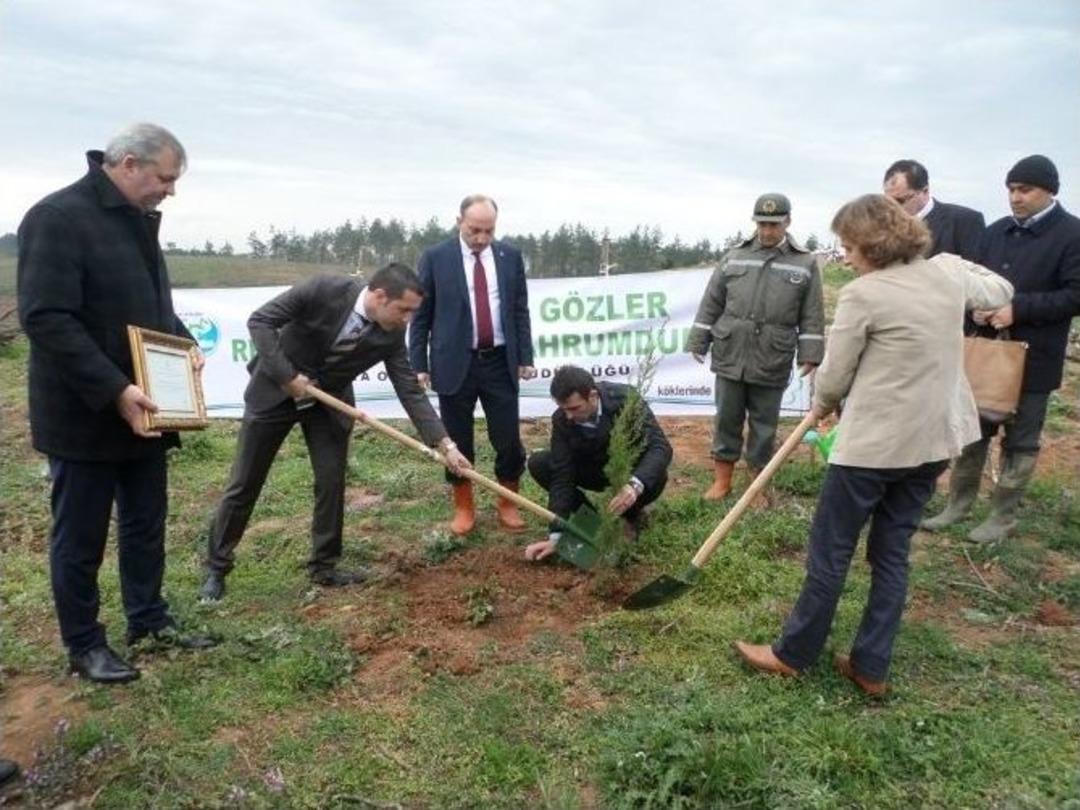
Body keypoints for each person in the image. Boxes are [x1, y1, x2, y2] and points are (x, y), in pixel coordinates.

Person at [734, 194, 1013, 696]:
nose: (845, 256)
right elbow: (1000, 289)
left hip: (874, 449)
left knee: (831, 552)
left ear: (874, 244)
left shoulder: (867, 294)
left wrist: (824, 400)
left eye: (849, 246)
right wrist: (954, 263)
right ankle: (871, 666)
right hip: (931, 443)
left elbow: (835, 376)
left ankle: (793, 654)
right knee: (891, 554)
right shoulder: (947, 274)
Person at [17, 123, 218, 685]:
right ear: (128, 163)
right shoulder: (58, 218)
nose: (170, 191)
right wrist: (114, 389)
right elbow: (46, 317)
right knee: (80, 537)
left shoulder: (139, 224)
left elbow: (151, 307)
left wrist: (184, 346)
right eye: (165, 178)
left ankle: (148, 619)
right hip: (85, 415)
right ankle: (84, 644)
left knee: (144, 522)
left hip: (147, 411)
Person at [200, 264, 470, 601]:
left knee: (331, 481)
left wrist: (445, 444)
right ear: (380, 296)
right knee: (245, 481)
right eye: (404, 310)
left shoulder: (391, 333)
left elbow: (410, 392)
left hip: (330, 402)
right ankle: (216, 567)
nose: (408, 320)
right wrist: (287, 376)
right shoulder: (324, 289)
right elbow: (260, 321)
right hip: (276, 390)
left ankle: (324, 566)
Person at [922, 155, 1080, 543]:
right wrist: (977, 307)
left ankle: (1002, 517)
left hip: (1034, 358)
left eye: (1025, 190)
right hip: (987, 352)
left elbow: (1075, 295)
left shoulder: (1072, 235)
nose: (1015, 197)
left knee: (1021, 439)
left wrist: (1017, 309)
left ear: (1050, 191)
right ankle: (958, 505)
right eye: (1011, 189)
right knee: (974, 430)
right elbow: (973, 277)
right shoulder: (996, 232)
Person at [408, 195, 536, 535]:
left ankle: (508, 502)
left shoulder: (510, 257)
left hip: (499, 362)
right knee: (458, 440)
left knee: (508, 439)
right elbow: (421, 315)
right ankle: (464, 507)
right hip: (453, 363)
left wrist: (525, 356)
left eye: (488, 231)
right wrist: (418, 362)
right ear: (458, 222)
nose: (481, 238)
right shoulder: (436, 258)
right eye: (474, 230)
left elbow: (519, 309)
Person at [686, 193, 825, 503]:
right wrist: (699, 339)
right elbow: (712, 301)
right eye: (762, 223)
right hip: (731, 352)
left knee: (764, 425)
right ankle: (722, 482)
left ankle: (756, 488)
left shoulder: (804, 262)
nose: (767, 231)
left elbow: (812, 313)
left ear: (787, 222)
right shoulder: (734, 256)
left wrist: (811, 354)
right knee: (727, 419)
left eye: (774, 224)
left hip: (771, 356)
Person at [523, 366, 672, 561]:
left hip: (628, 472)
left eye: (574, 408)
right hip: (593, 471)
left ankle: (630, 516)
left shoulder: (626, 399)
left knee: (654, 473)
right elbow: (562, 474)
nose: (568, 416)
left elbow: (660, 447)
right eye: (563, 409)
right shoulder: (561, 420)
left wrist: (635, 485)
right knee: (540, 463)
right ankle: (593, 524)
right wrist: (556, 534)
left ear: (592, 396)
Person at [883, 159, 985, 260]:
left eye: (900, 201)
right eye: (888, 201)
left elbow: (976, 271)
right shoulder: (881, 228)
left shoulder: (965, 221)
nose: (893, 208)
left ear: (925, 191)